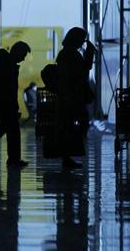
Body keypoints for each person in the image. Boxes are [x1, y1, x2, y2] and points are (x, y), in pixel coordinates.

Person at [55, 27, 94, 169]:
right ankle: (69, 152)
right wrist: (89, 54)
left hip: (68, 95)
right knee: (79, 122)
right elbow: (83, 71)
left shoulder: (65, 54)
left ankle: (68, 155)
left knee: (69, 125)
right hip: (71, 96)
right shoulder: (71, 55)